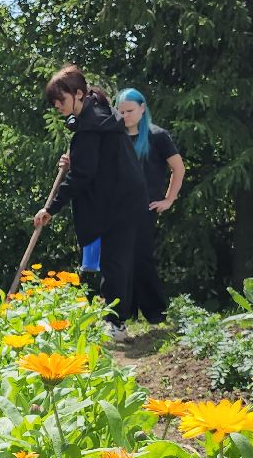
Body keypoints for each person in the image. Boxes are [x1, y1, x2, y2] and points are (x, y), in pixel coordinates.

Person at [32, 65, 162, 335]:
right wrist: (77, 156)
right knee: (118, 260)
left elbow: (82, 176)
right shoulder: (99, 116)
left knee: (116, 262)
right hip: (125, 196)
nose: (57, 105)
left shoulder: (91, 128)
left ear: (78, 94)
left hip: (119, 201)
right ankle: (117, 320)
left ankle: (115, 323)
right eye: (54, 102)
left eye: (62, 99)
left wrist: (50, 207)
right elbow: (95, 161)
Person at [76, 87, 181, 315]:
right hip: (115, 208)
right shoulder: (113, 135)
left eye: (130, 110)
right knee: (117, 262)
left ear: (143, 109)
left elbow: (178, 168)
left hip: (145, 208)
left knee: (140, 258)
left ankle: (155, 311)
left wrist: (168, 200)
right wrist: (73, 162)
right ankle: (124, 312)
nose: (125, 116)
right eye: (120, 111)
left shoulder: (157, 136)